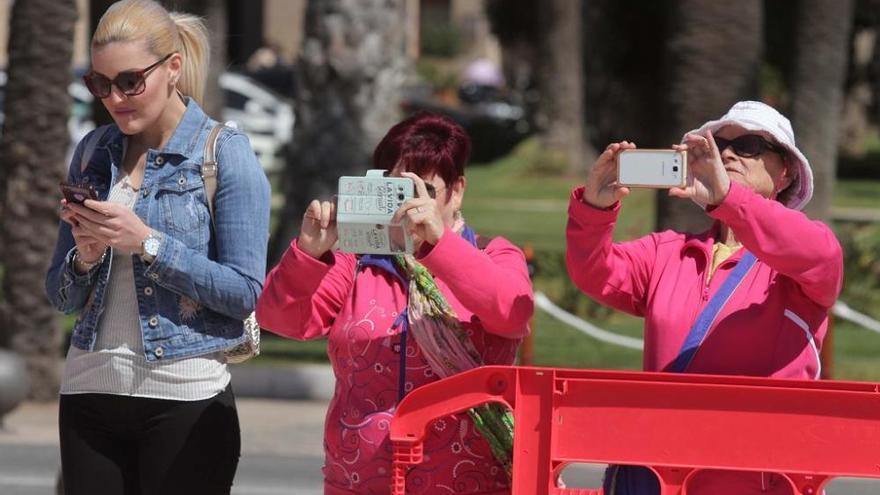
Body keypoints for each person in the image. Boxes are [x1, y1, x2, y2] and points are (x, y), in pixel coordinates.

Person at [44, 1, 271, 493]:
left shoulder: (222, 153)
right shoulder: (92, 151)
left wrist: (147, 244)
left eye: (129, 81)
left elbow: (245, 291)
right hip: (89, 389)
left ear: (173, 69)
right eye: (99, 84)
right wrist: (84, 257)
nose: (115, 97)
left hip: (186, 399)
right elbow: (62, 297)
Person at [565, 100, 843, 495]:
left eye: (749, 145)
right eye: (717, 144)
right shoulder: (668, 251)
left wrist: (729, 199)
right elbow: (594, 272)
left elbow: (818, 255)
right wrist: (595, 207)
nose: (728, 153)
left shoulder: (803, 254)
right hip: (660, 476)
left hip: (754, 481)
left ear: (784, 173)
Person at [256, 112, 534, 495]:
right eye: (395, 190)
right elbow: (280, 319)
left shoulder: (492, 255)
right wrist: (308, 254)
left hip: (469, 482)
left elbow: (511, 312)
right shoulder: (355, 262)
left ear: (457, 192)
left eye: (424, 192)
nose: (408, 207)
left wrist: (438, 246)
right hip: (360, 480)